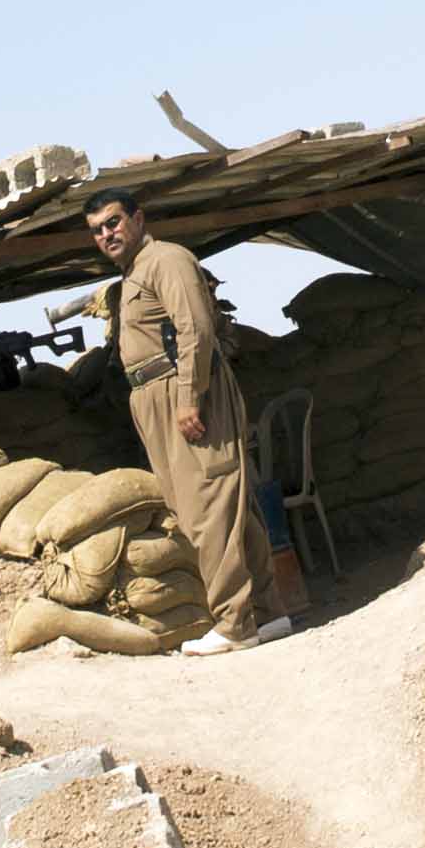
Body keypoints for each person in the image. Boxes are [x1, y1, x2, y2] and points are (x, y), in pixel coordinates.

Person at [86, 189, 280, 653]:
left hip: (184, 389)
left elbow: (196, 328)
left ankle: (235, 624)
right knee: (225, 505)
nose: (107, 234)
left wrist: (190, 398)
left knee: (206, 506)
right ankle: (271, 612)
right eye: (97, 230)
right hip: (154, 395)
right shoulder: (131, 276)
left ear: (137, 218)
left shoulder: (166, 260)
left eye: (113, 222)